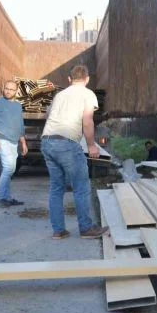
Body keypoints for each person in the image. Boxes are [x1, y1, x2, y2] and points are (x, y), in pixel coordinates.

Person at [40, 65, 108, 239]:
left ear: (69, 80)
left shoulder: (59, 95)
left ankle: (58, 230)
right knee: (81, 187)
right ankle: (86, 229)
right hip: (67, 144)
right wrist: (91, 145)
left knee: (56, 188)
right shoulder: (87, 94)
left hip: (47, 141)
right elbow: (87, 121)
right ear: (87, 79)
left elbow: (49, 116)